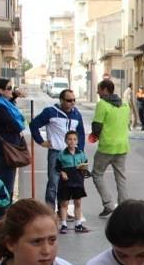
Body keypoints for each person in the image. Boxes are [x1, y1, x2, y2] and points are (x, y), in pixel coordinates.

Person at [29, 90, 86, 214]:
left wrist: (80, 150)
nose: (72, 103)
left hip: (70, 154)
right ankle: (49, 210)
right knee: (54, 182)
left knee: (66, 184)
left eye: (74, 100)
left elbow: (80, 133)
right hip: (56, 152)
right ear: (61, 100)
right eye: (69, 100)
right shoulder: (50, 112)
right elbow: (34, 125)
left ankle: (62, 211)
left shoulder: (76, 114)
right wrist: (41, 141)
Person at [90, 79, 131, 218]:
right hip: (122, 146)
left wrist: (94, 135)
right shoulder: (124, 105)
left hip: (106, 147)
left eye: (99, 89)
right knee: (121, 177)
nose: (97, 92)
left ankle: (108, 204)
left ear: (105, 90)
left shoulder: (102, 104)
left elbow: (96, 126)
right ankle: (124, 208)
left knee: (97, 174)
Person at [56, 131, 89, 233]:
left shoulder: (81, 153)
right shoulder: (61, 154)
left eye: (74, 139)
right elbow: (57, 168)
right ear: (66, 141)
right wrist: (62, 172)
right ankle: (64, 224)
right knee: (64, 203)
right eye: (69, 139)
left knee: (78, 202)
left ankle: (78, 224)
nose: (72, 141)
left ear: (77, 141)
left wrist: (83, 168)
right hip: (66, 182)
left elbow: (85, 164)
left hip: (78, 180)